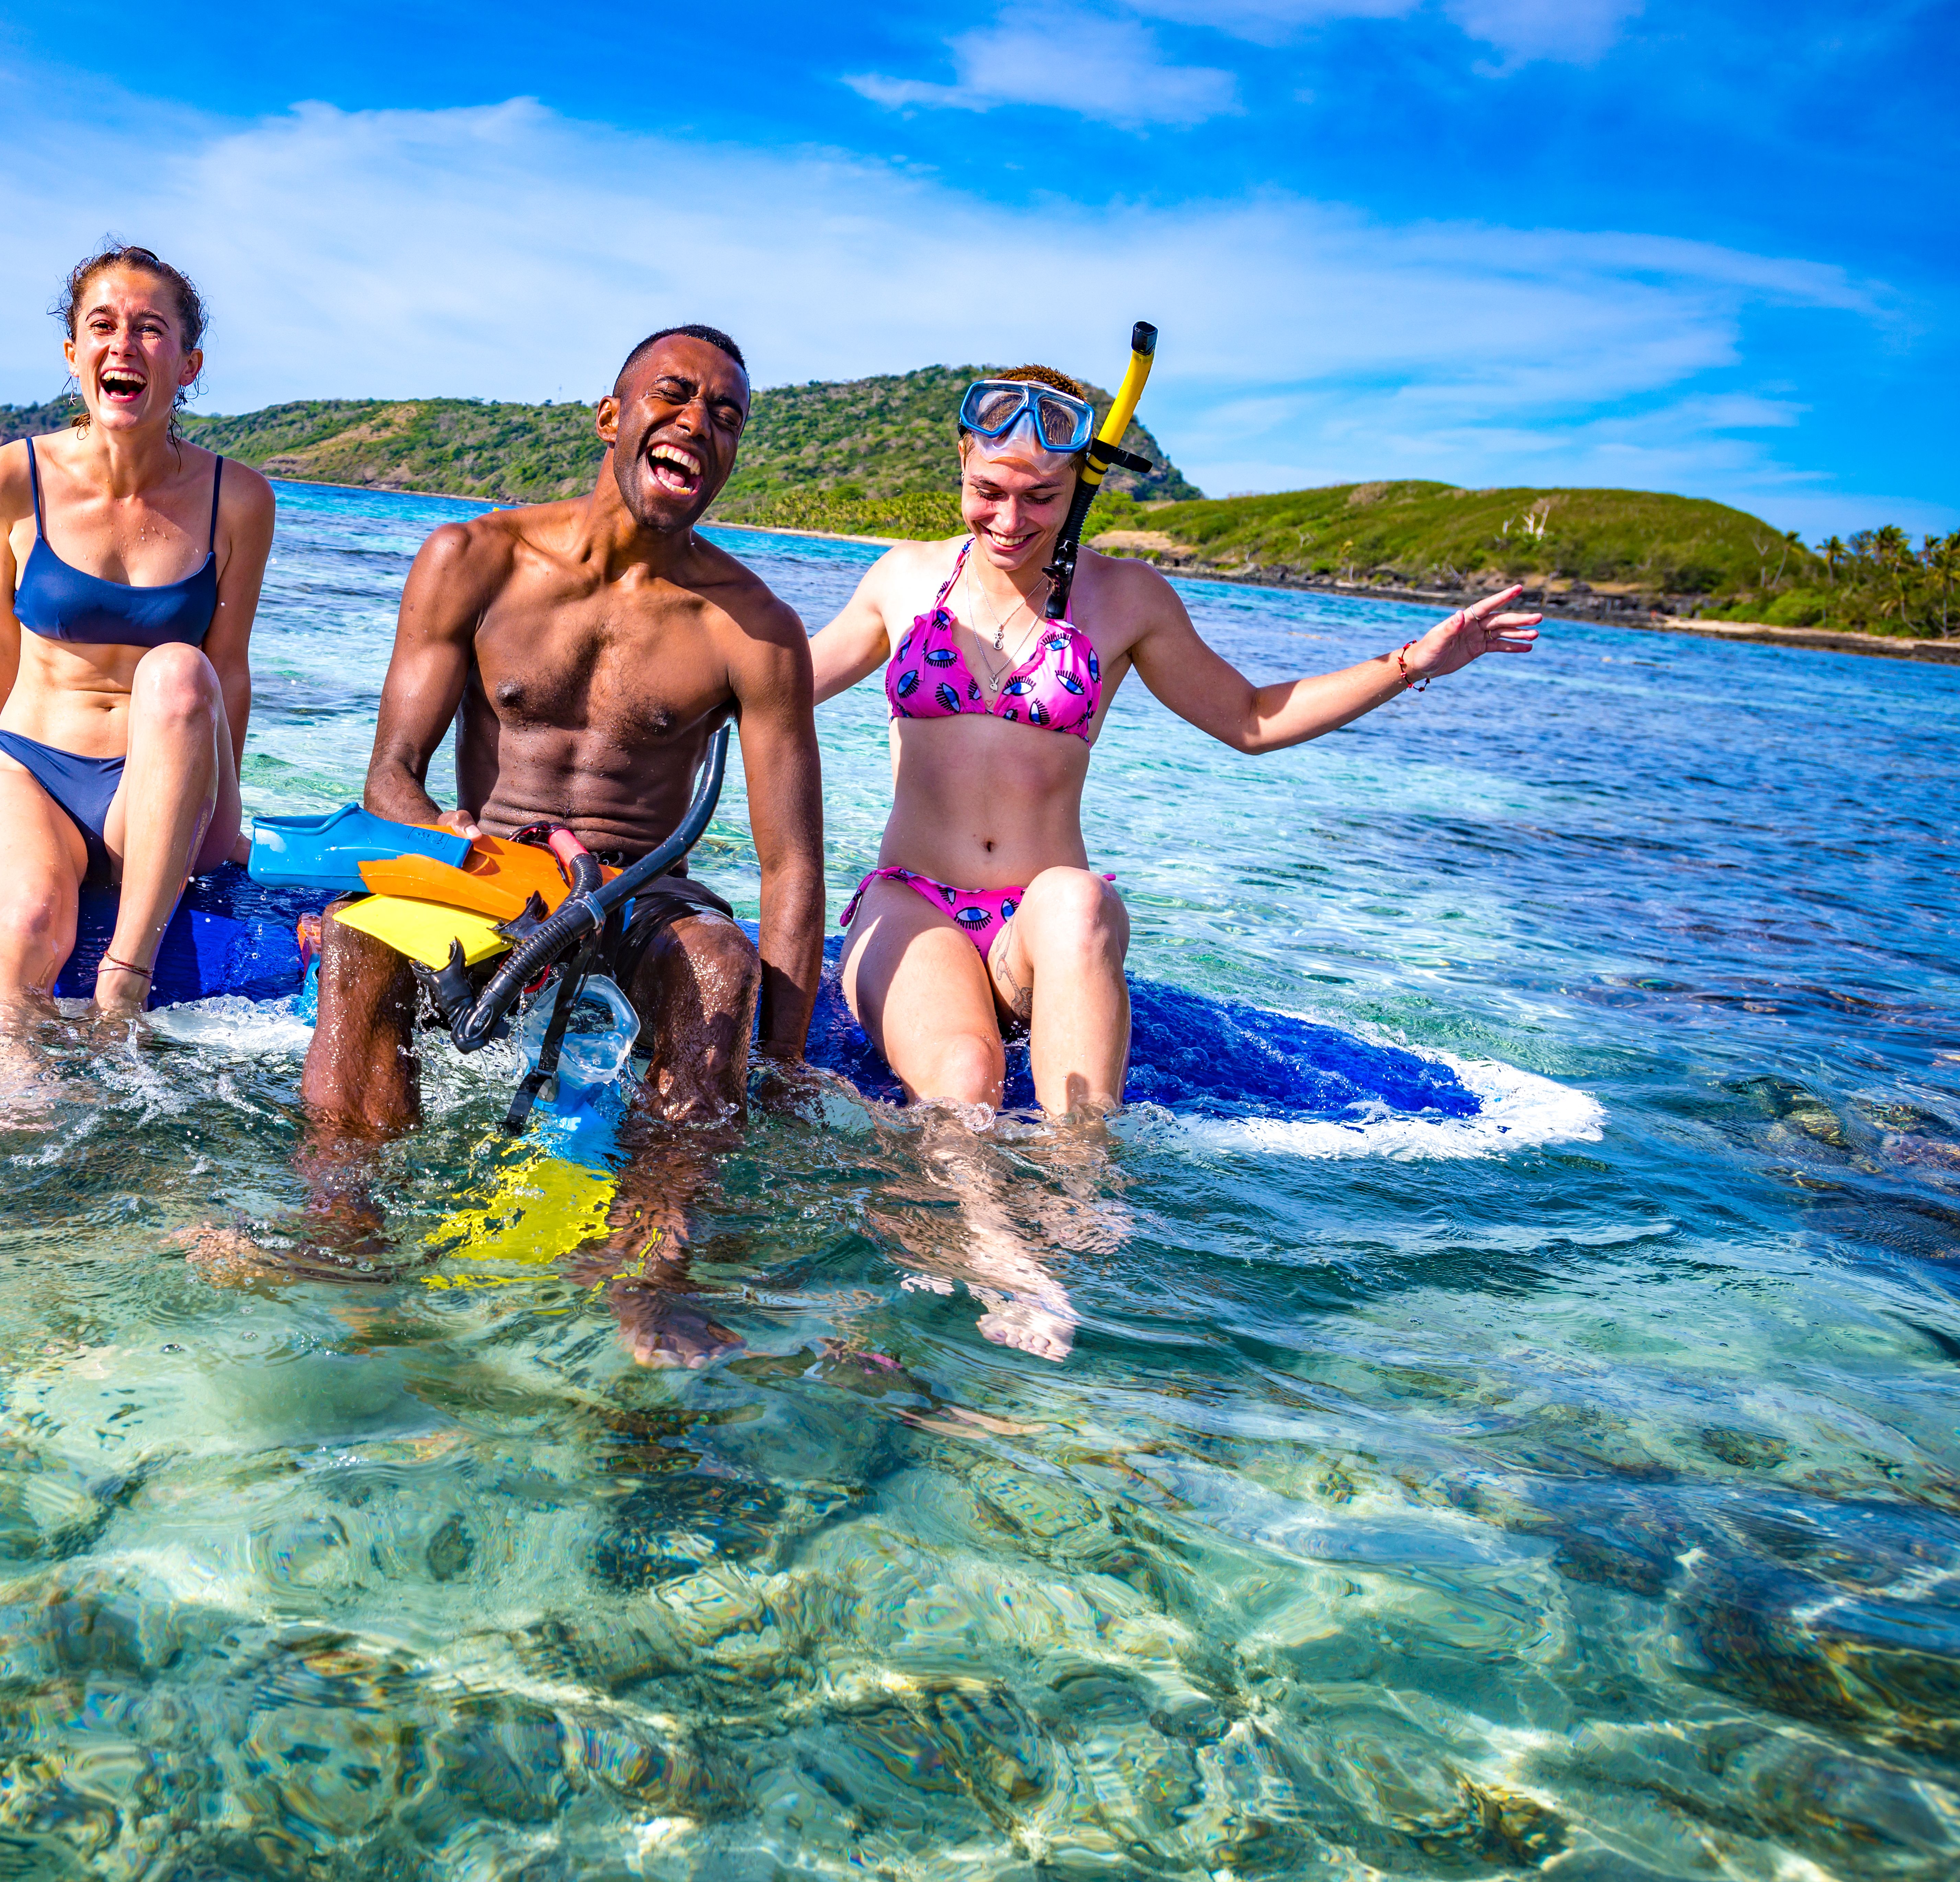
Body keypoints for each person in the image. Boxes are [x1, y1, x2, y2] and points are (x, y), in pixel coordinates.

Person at [808, 363, 1541, 1119]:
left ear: (1079, 486)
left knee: (1080, 900)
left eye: (1040, 498)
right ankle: (991, 1241)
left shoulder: (1127, 598)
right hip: (914, 902)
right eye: (988, 491)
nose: (1009, 519)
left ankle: (1079, 1205)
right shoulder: (902, 577)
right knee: (964, 1081)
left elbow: (1252, 718)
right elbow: (777, 682)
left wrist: (1409, 664)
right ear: (964, 462)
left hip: (1043, 924)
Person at [298, 324, 827, 1365]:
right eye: (674, 396)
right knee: (362, 940)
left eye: (727, 417)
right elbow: (391, 776)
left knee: (719, 965)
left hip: (640, 887)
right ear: (611, 419)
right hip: (488, 868)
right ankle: (345, 1238)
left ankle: (651, 1267)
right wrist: (464, 852)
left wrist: (787, 1073)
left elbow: (792, 866)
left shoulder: (752, 628)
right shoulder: (474, 560)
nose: (699, 424)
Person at [0, 245, 274, 1023]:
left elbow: (225, 672)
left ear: (190, 363)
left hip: (160, 791)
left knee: (176, 668)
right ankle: (3, 1121)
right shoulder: (7, 478)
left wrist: (219, 812)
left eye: (150, 330)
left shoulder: (237, 499)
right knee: (26, 924)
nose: (123, 346)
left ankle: (124, 982)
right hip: (35, 767)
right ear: (74, 354)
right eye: (102, 326)